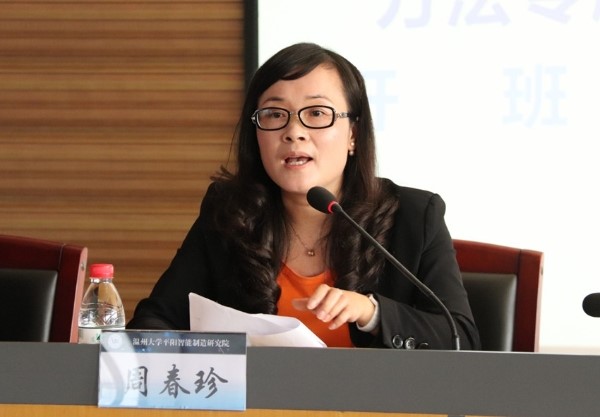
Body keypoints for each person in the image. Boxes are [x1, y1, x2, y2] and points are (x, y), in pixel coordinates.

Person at [127, 42, 480, 350]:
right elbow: (155, 321)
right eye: (274, 114)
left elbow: (461, 340)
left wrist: (371, 313)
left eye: (316, 113)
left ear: (353, 135)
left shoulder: (414, 216)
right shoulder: (230, 214)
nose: (294, 132)